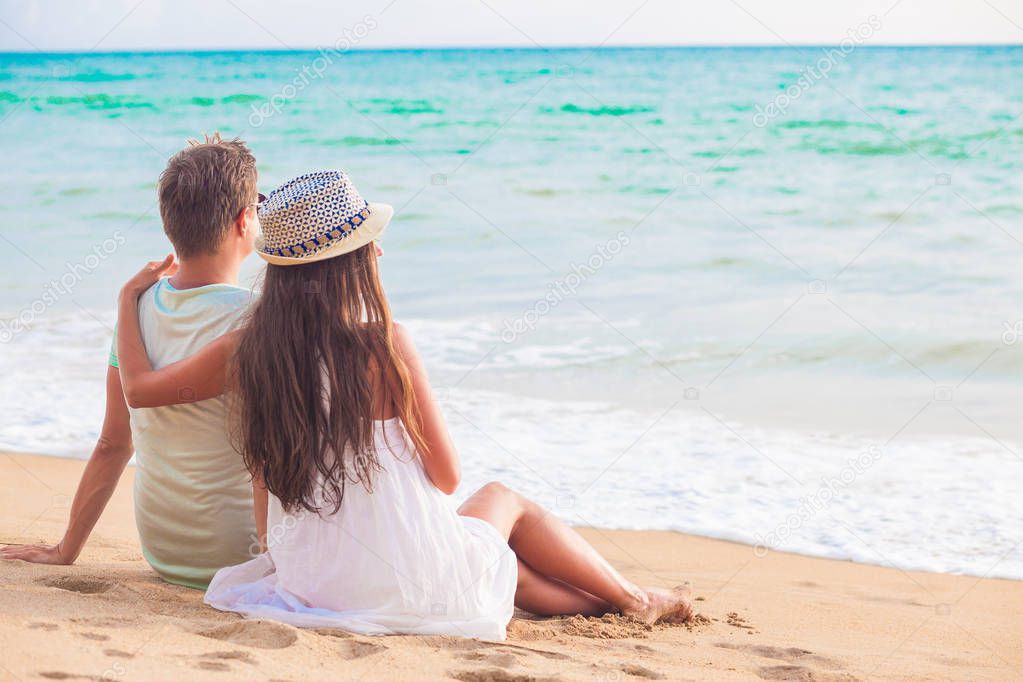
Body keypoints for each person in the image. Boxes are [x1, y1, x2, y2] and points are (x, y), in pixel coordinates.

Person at [114, 169, 693, 639]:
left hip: (312, 579)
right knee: (500, 502)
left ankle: (624, 603)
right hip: (397, 582)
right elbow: (446, 477)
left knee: (490, 565)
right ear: (352, 259)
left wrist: (126, 301)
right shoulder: (384, 344)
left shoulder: (248, 349)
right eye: (369, 240)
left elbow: (260, 488)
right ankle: (631, 598)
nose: (381, 249)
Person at [1, 133, 263, 590]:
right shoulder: (256, 318)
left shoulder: (136, 310)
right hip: (240, 556)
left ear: (170, 227)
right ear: (245, 221)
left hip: (164, 552)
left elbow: (112, 444)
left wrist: (66, 549)